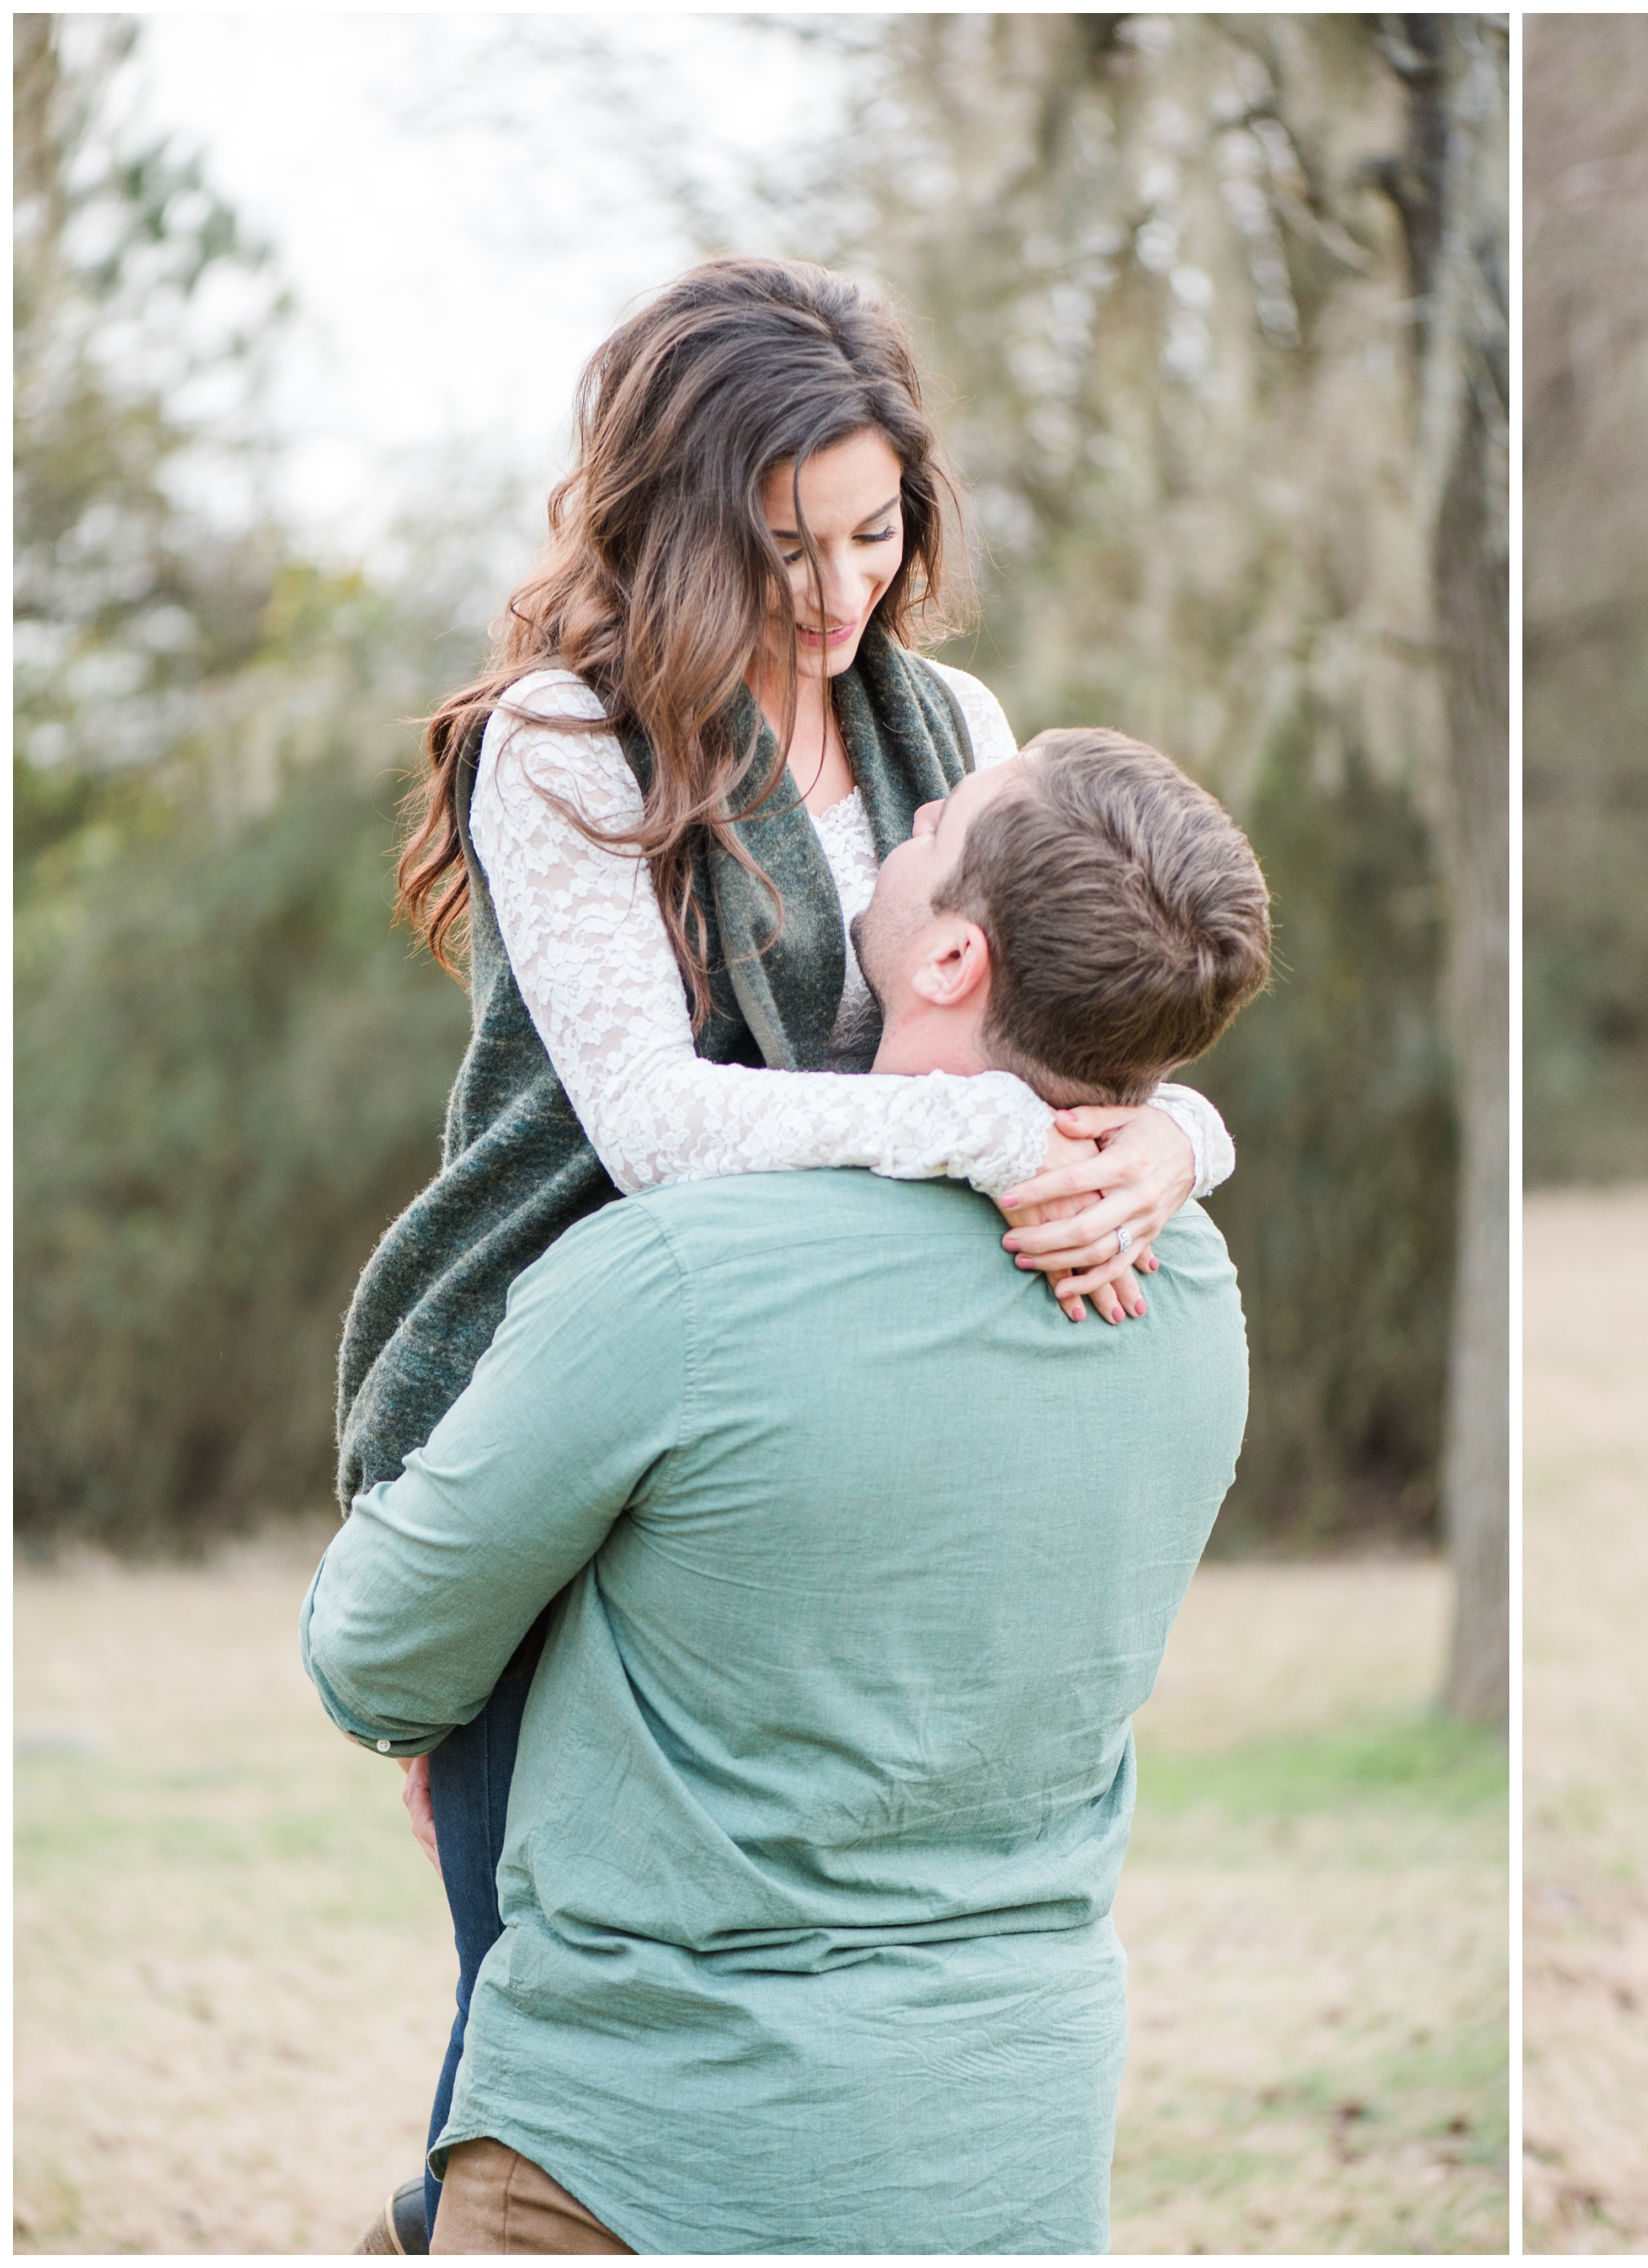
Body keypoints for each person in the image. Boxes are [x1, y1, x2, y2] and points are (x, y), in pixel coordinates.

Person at [335, 257, 1236, 2250]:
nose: (835, 598)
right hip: (578, 1354)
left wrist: (1171, 1135)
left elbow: (1072, 1014)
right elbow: (657, 1129)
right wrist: (987, 1131)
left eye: (871, 532)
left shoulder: (960, 724)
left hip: (844, 1412)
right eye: (776, 552)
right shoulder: (570, 750)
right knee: (547, 1968)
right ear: (669, 528)